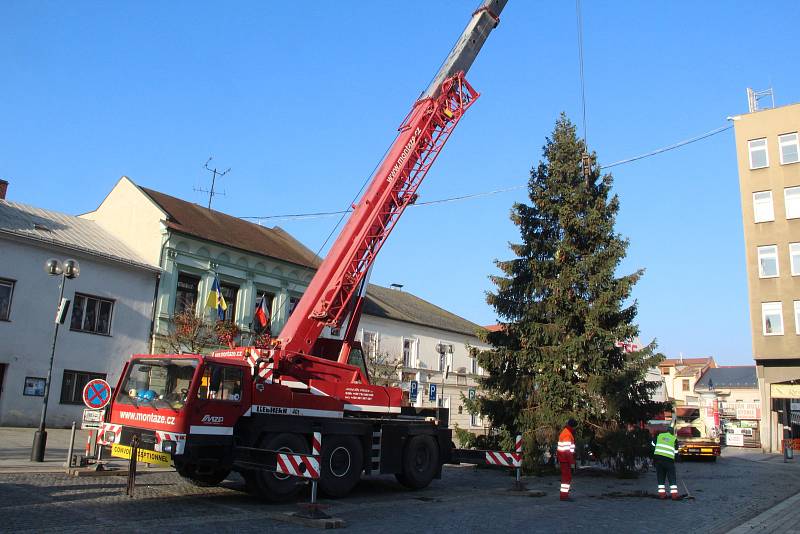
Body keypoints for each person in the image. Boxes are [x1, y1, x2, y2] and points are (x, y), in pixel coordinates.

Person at [652, 426, 680, 500]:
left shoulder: (659, 436)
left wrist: (654, 454)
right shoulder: (674, 439)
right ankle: (674, 496)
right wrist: (676, 460)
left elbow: (652, 445)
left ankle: (662, 495)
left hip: (658, 460)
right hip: (669, 461)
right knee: (672, 477)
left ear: (666, 431)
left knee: (660, 477)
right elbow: (676, 452)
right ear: (672, 432)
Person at [557, 418, 577, 501]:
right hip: (565, 460)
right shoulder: (567, 435)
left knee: (566, 478)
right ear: (573, 426)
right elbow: (567, 451)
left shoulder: (565, 432)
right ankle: (564, 496)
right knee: (566, 478)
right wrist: (572, 463)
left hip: (563, 459)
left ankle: (564, 495)